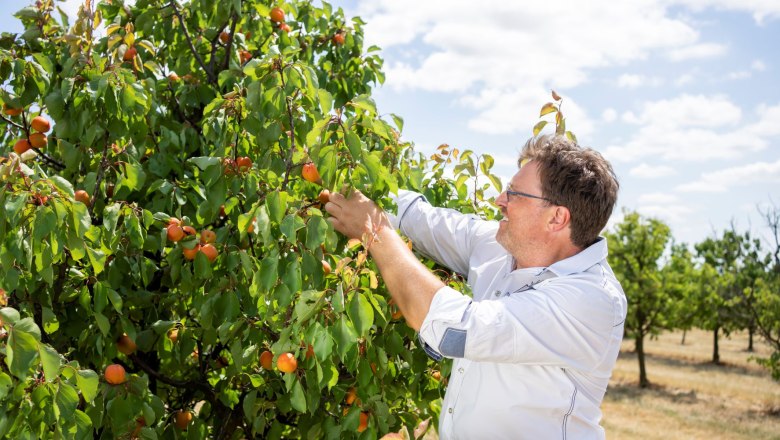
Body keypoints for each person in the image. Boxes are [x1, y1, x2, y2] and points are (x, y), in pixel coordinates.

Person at [324, 134, 626, 439]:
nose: (500, 201)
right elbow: (420, 218)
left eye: (515, 194)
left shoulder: (590, 300)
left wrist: (375, 232)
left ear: (557, 218)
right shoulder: (503, 247)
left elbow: (453, 329)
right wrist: (343, 169)